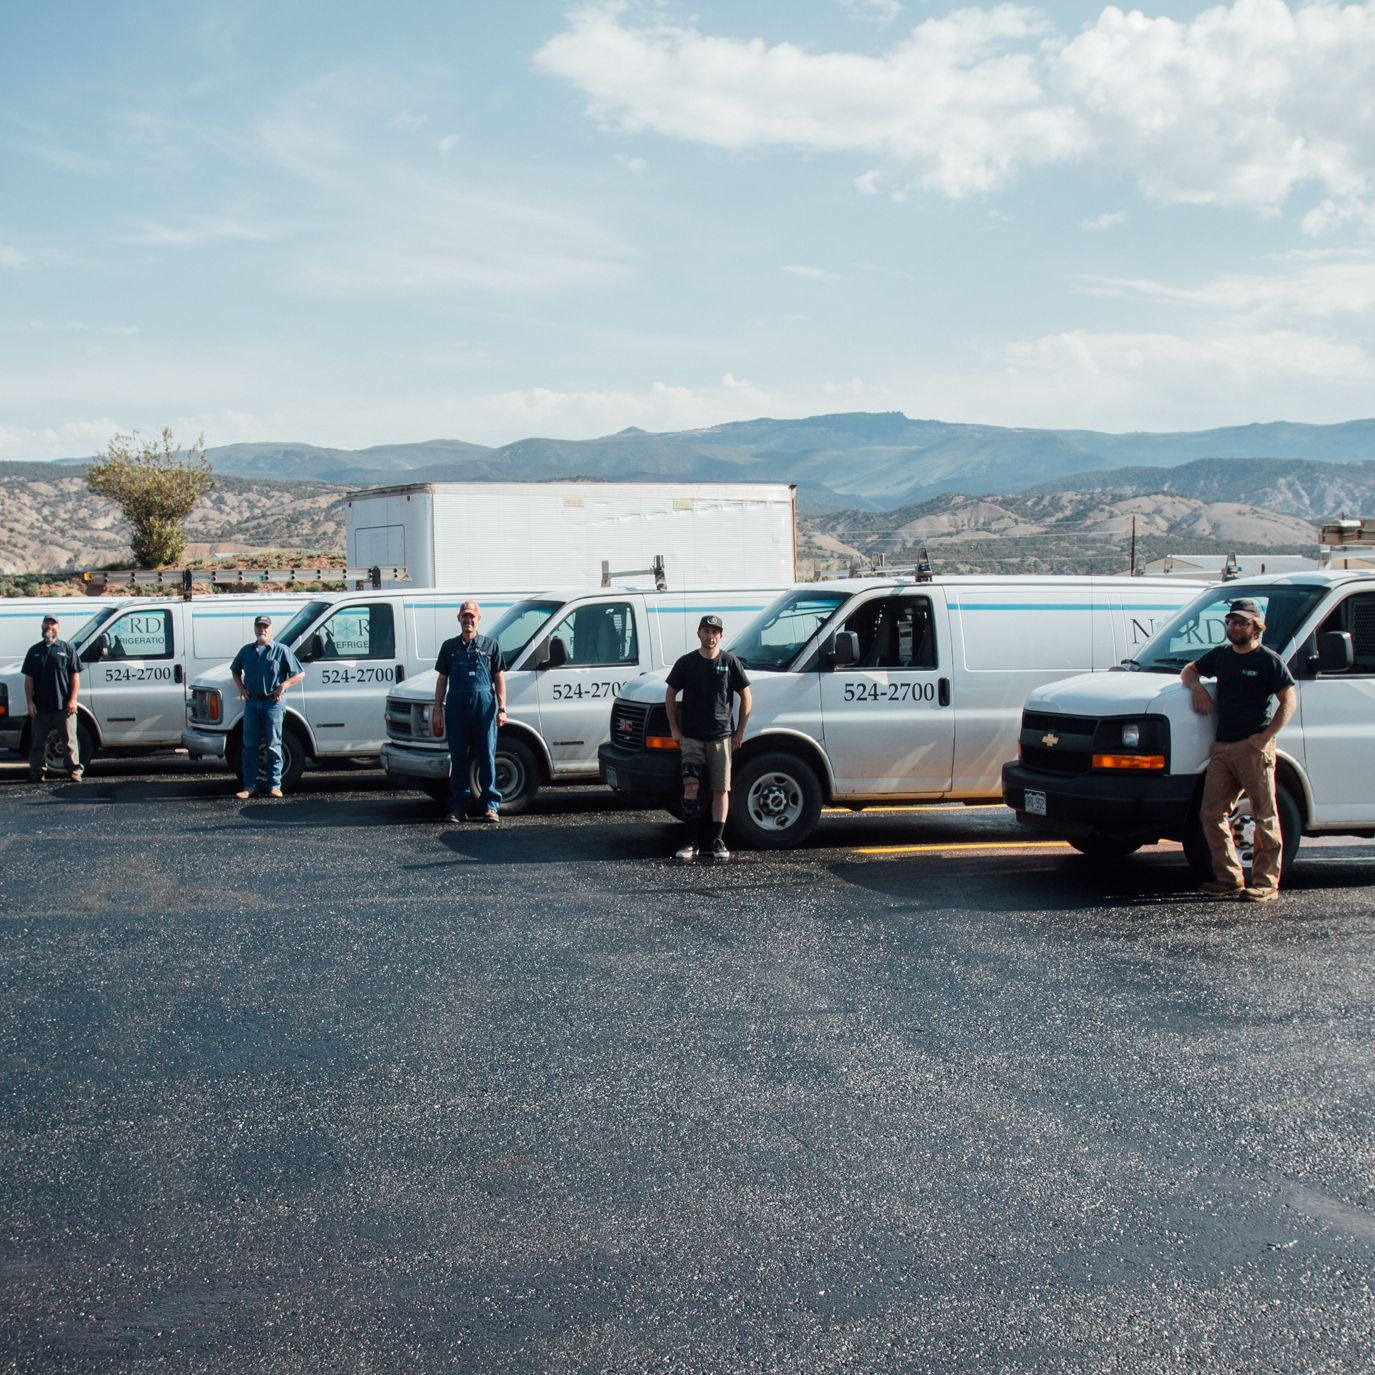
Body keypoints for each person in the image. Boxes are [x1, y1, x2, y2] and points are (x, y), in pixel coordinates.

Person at [1181, 597, 1297, 903]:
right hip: (1222, 749)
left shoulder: (1268, 660)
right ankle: (1229, 878)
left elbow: (1289, 701)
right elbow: (1189, 671)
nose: (1234, 627)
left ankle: (1265, 883)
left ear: (1255, 627)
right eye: (1231, 622)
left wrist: (1266, 736)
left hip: (1253, 748)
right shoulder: (1220, 656)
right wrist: (1197, 688)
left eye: (1241, 622)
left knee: (1264, 815)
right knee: (1211, 813)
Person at [665, 613, 751, 862]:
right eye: (706, 631)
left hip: (721, 737)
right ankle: (691, 841)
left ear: (721, 635)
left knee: (720, 789)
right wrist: (674, 728)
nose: (710, 636)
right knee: (690, 786)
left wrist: (740, 732)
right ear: (699, 633)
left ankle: (717, 840)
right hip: (691, 737)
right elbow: (670, 693)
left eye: (714, 632)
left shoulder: (730, 662)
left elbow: (746, 696)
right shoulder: (686, 663)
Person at [432, 600, 506, 824]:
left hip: (484, 706)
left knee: (486, 756)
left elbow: (499, 678)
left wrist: (502, 708)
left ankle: (490, 806)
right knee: (458, 757)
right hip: (456, 706)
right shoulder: (449, 647)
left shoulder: (491, 646)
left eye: (472, 616)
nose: (468, 620)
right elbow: (442, 680)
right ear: (459, 619)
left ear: (478, 619)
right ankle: (459, 807)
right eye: (465, 616)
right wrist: (437, 709)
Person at [230, 615, 304, 800]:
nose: (262, 630)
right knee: (250, 746)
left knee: (273, 745)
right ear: (255, 629)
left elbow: (299, 673)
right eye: (259, 626)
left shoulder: (281, 651)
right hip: (252, 703)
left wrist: (284, 685)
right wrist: (241, 688)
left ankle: (275, 785)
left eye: (265, 627)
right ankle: (249, 787)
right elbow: (235, 670)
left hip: (273, 703)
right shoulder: (246, 651)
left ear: (270, 629)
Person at [22, 614, 83, 782]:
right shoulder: (34, 651)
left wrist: (72, 699)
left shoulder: (67, 649)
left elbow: (75, 676)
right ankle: (37, 771)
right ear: (42, 627)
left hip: (63, 707)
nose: (49, 626)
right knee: (37, 743)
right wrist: (29, 702)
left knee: (70, 741)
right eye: (46, 623)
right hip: (40, 708)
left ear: (58, 627)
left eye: (53, 624)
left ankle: (74, 771)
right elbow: (29, 679)